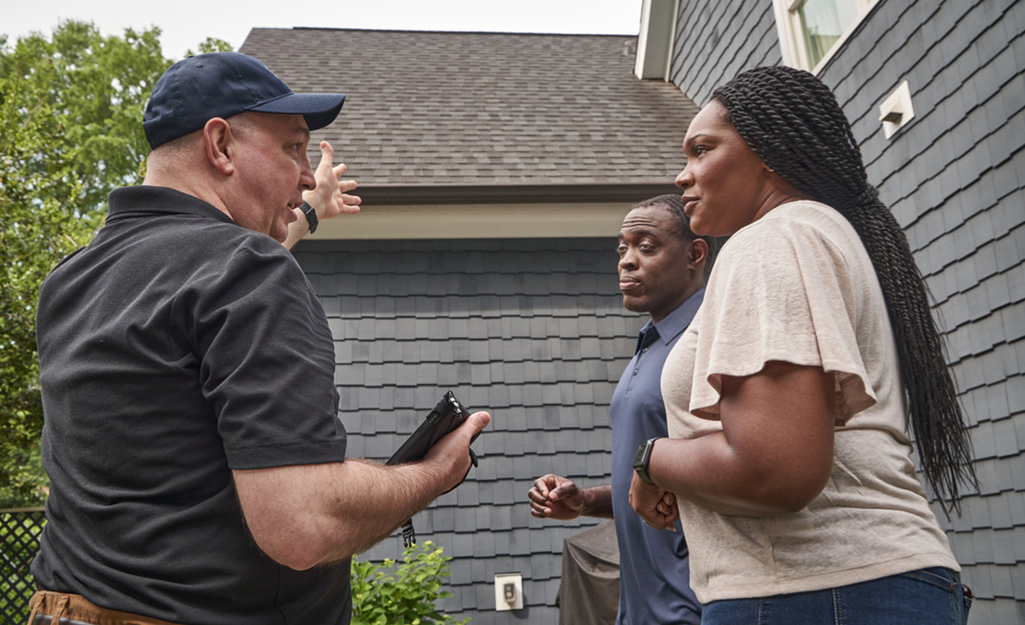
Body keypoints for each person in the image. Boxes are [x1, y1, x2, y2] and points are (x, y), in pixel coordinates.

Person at [29, 51, 489, 625]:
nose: (303, 172)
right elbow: (303, 527)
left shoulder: (76, 276)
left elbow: (211, 274)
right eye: (292, 147)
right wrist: (433, 474)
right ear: (220, 146)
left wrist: (310, 210)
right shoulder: (246, 271)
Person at [629, 65, 975, 625]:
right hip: (860, 589)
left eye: (701, 150)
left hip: (816, 593)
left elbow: (775, 469)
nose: (682, 175)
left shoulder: (771, 241)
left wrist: (652, 463)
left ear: (769, 150)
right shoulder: (818, 235)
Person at [528, 194, 707, 625]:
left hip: (693, 607)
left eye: (645, 246)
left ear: (694, 254)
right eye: (622, 248)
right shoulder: (650, 344)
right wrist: (586, 501)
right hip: (639, 610)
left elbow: (733, 466)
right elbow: (655, 486)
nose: (626, 261)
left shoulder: (707, 342)